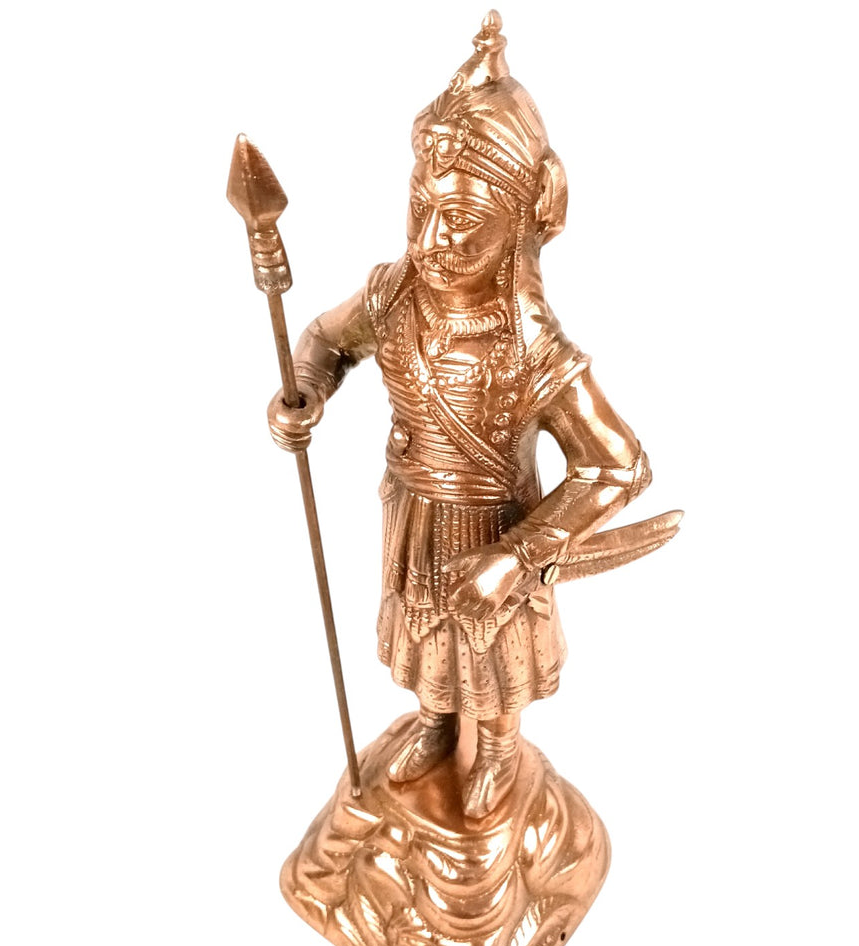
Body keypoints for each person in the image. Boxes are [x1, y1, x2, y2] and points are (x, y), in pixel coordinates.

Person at [267, 12, 651, 818]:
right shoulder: (392, 294)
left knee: (492, 653)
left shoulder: (531, 343)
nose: (436, 238)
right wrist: (304, 390)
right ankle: (437, 723)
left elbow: (618, 465)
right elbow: (325, 341)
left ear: (515, 225)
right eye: (423, 210)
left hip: (492, 524)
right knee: (428, 637)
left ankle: (499, 749)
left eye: (466, 222)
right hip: (413, 508)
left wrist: (518, 555)